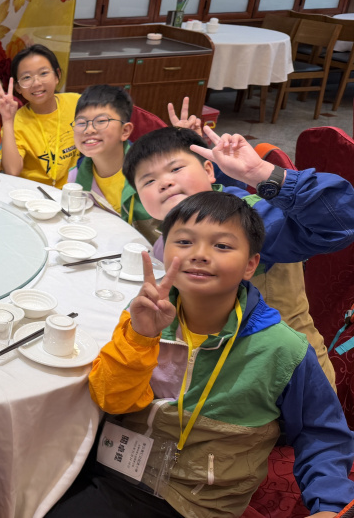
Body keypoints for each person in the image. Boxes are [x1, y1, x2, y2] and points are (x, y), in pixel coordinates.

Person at [48, 191, 354, 517]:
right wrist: (140, 337)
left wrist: (328, 505)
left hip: (195, 501)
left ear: (251, 264)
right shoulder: (146, 316)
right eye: (184, 242)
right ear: (163, 251)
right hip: (112, 462)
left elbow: (321, 432)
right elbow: (111, 400)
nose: (199, 254)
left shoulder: (284, 350)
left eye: (222, 245)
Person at [122, 126, 354, 386]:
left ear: (209, 170)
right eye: (149, 181)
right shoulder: (166, 237)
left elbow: (339, 223)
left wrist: (261, 173)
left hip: (284, 374)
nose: (164, 183)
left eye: (176, 169)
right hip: (216, 366)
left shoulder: (248, 220)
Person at [67, 85, 159, 243]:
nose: (89, 130)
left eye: (101, 121)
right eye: (81, 123)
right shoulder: (76, 177)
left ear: (125, 131)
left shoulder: (153, 174)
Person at [0, 44, 80, 187]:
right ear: (18, 88)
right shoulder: (17, 121)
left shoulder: (77, 103)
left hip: (75, 192)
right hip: (33, 193)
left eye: (43, 73)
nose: (36, 83)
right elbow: (12, 171)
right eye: (26, 77)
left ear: (57, 76)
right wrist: (8, 120)